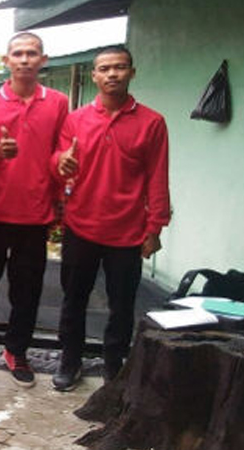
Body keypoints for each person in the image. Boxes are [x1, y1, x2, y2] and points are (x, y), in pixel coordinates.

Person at [51, 45, 170, 391]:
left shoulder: (152, 123)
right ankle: (69, 360)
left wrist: (155, 226)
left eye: (119, 68)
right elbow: (58, 163)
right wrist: (61, 163)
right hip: (80, 225)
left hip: (128, 231)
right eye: (104, 69)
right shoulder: (76, 120)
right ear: (94, 76)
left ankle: (114, 365)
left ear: (132, 72)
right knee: (74, 299)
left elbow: (157, 178)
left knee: (122, 305)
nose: (112, 74)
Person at [0, 32, 69, 388]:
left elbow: (59, 152)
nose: (24, 59)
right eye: (18, 54)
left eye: (32, 54)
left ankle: (16, 349)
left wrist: (60, 177)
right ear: (6, 61)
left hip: (35, 213)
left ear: (43, 60)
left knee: (27, 290)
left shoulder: (57, 103)